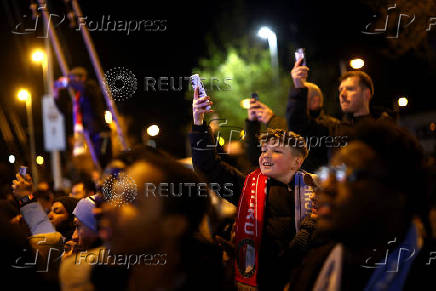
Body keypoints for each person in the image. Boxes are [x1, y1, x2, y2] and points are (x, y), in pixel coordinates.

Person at [190, 88, 317, 290]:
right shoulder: (247, 187)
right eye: (264, 150)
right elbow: (208, 167)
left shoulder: (318, 191)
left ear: (297, 161)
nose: (265, 155)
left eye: (276, 151)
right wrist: (198, 123)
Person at [288, 121, 436, 291]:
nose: (327, 187)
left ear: (398, 192)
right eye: (329, 173)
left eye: (347, 174)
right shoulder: (313, 268)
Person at [95, 147, 225, 290]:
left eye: (133, 202)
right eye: (114, 197)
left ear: (175, 225)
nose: (107, 209)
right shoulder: (99, 280)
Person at [287, 59, 385, 169]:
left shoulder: (385, 130)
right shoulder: (332, 130)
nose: (342, 94)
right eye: (340, 90)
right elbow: (298, 126)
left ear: (366, 94)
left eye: (350, 89)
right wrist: (298, 86)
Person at [54, 66, 112, 169]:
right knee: (93, 163)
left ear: (82, 78)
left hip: (100, 132)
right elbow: (66, 111)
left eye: (73, 79)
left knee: (104, 161)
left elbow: (83, 88)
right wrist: (56, 96)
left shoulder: (90, 86)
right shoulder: (78, 97)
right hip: (89, 133)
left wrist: (67, 82)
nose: (72, 82)